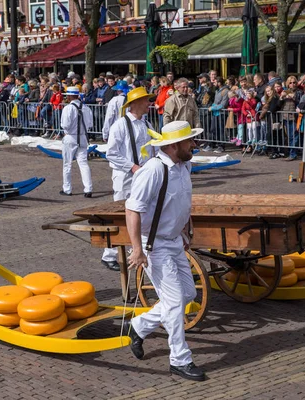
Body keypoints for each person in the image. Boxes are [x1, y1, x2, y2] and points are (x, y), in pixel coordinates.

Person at [124, 120, 206, 381]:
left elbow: (182, 200)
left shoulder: (184, 165)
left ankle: (138, 326)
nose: (194, 144)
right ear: (173, 146)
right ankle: (180, 360)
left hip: (173, 240)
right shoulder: (153, 170)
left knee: (188, 293)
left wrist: (185, 228)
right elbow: (132, 209)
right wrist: (137, 249)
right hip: (154, 245)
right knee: (173, 303)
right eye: (189, 141)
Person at [101, 86, 156, 271]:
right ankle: (109, 254)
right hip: (125, 177)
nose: (149, 103)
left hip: (143, 176)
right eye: (146, 100)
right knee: (120, 214)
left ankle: (136, 248)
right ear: (135, 104)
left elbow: (152, 149)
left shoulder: (147, 125)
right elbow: (111, 153)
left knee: (140, 212)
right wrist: (132, 167)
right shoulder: (120, 125)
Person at [59, 87, 94, 197]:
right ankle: (88, 188)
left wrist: (67, 131)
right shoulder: (86, 108)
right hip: (83, 137)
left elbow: (65, 125)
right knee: (83, 163)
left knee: (67, 164)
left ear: (69, 96)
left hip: (71, 137)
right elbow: (90, 124)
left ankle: (67, 189)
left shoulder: (68, 108)